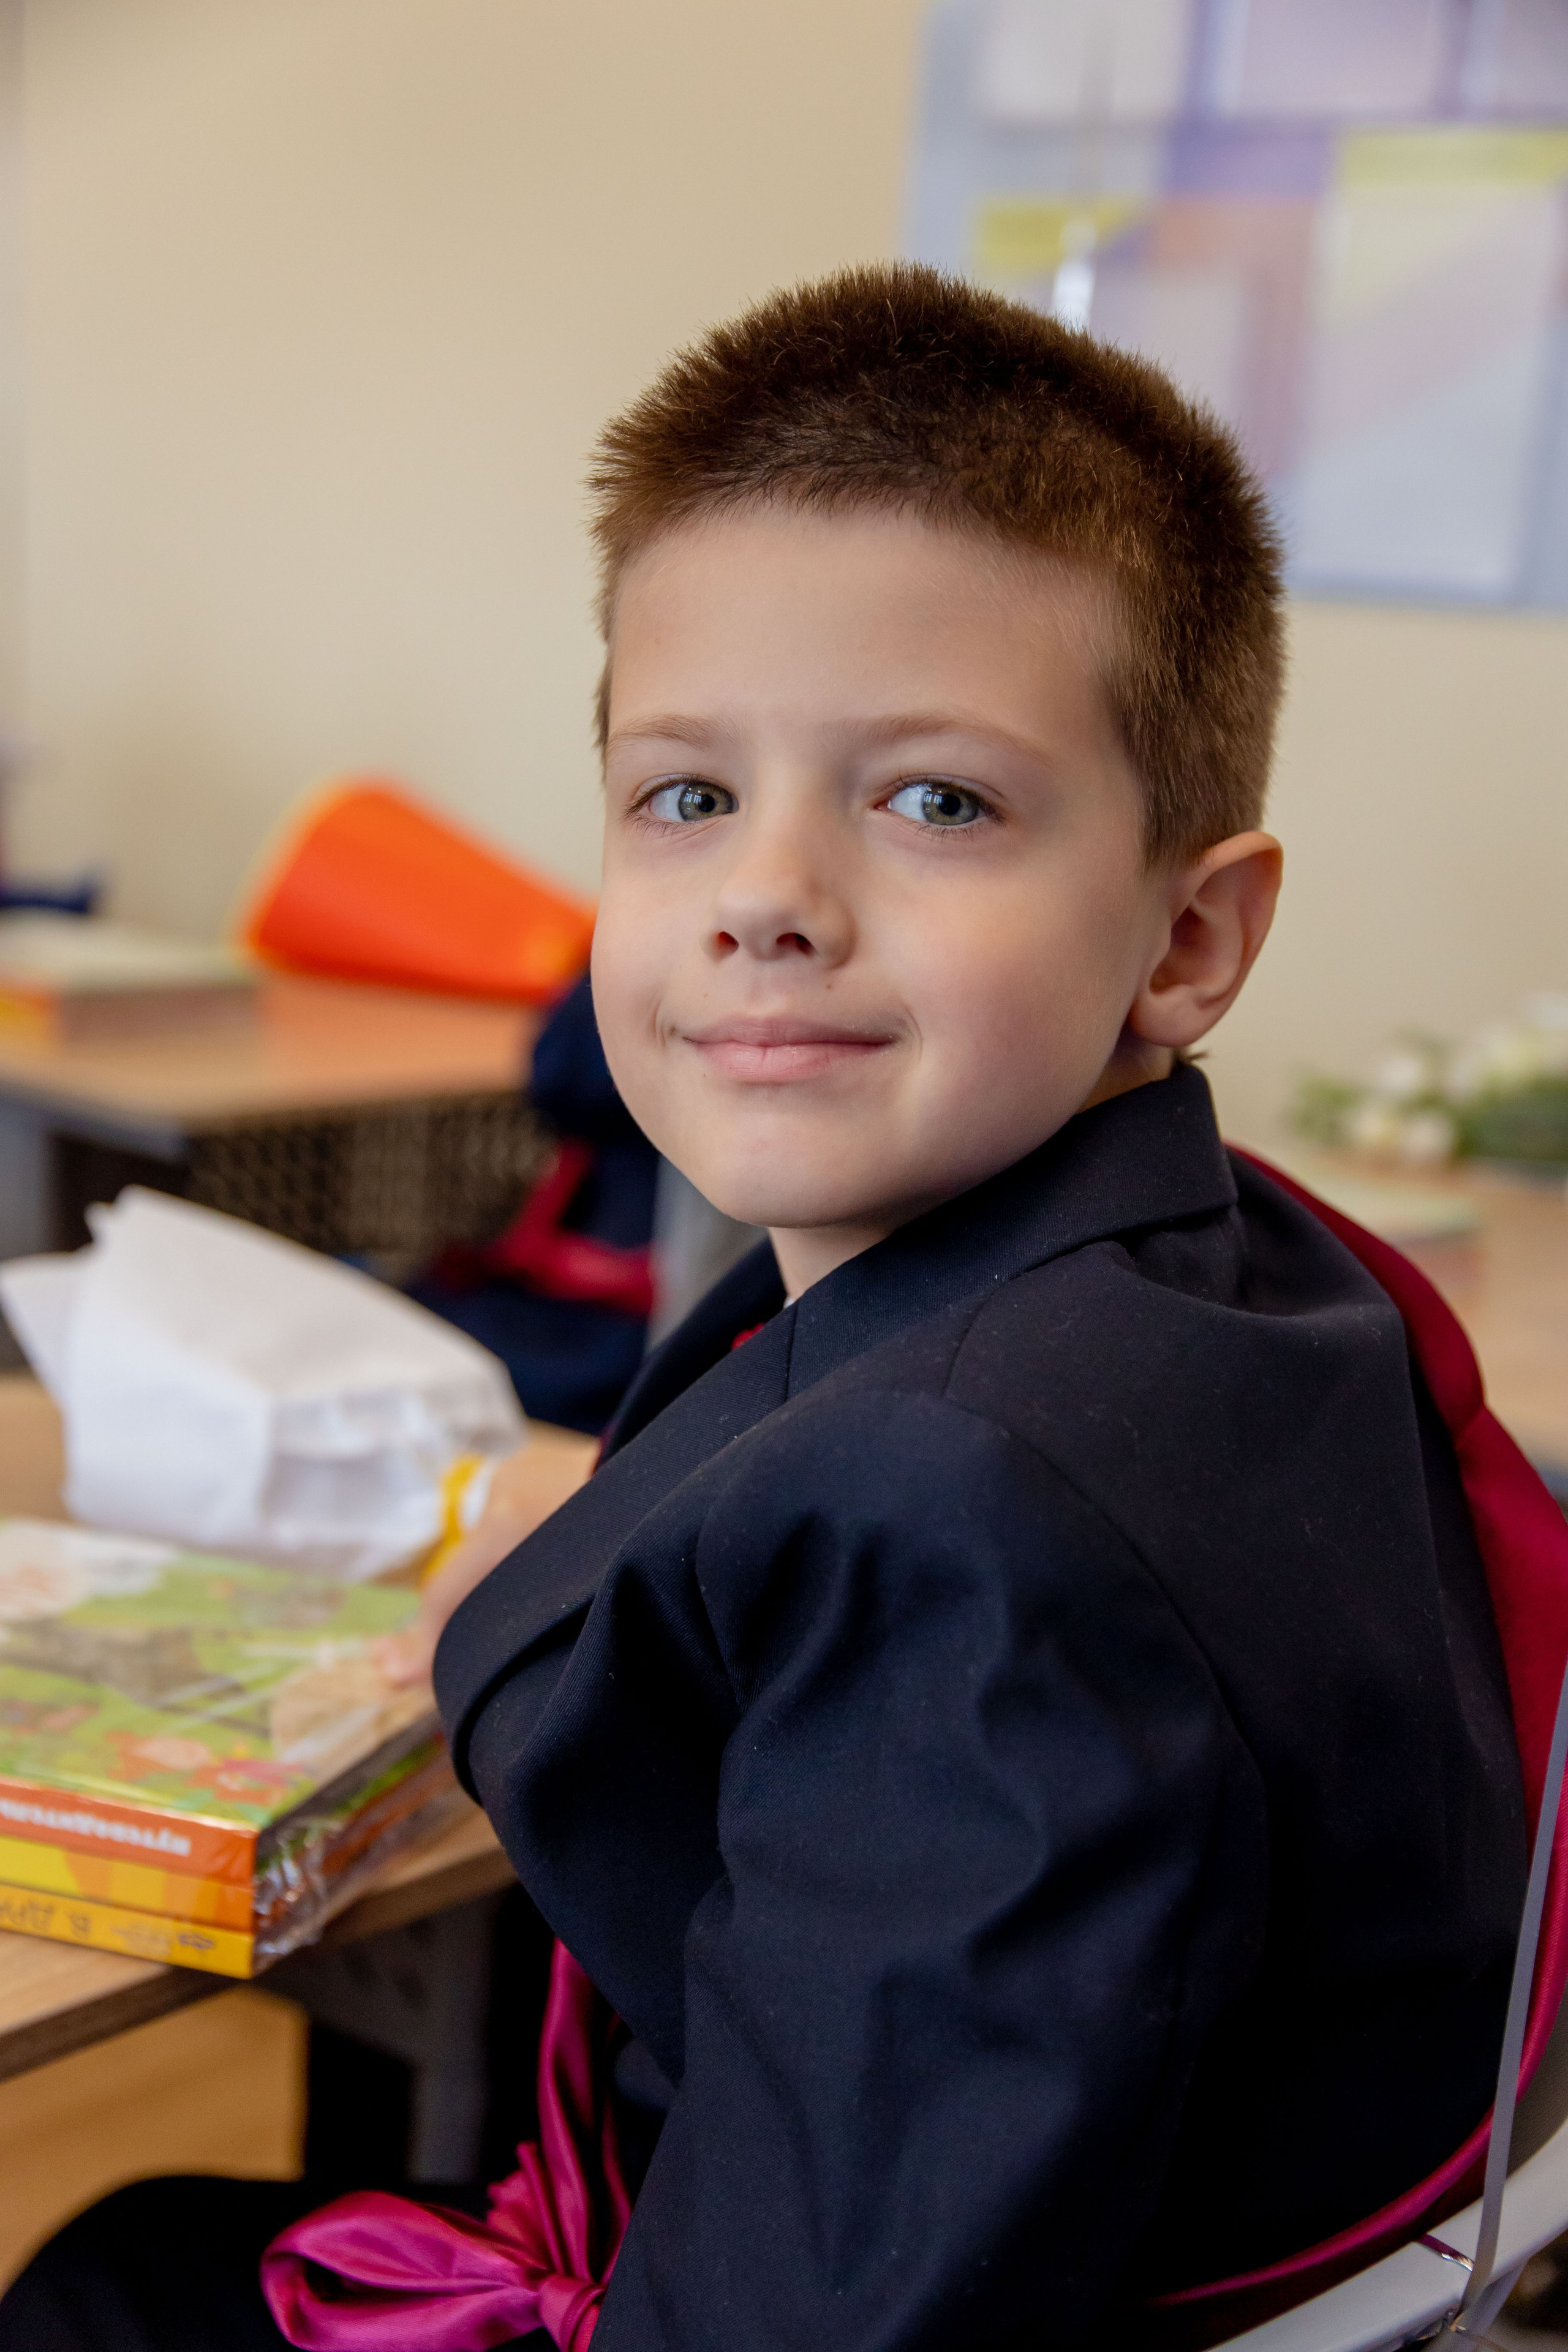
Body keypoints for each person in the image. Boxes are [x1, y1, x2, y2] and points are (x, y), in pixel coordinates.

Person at [1, 265, 1527, 2351]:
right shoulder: (1223, 1272)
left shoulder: (974, 1532)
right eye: (688, 795)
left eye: (936, 801)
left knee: (101, 2284)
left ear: (1188, 937)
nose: (766, 896)